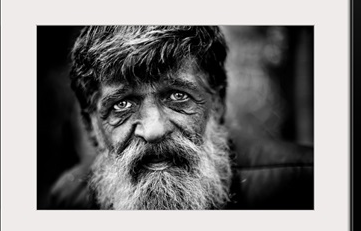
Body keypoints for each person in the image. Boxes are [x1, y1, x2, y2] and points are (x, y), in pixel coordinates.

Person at [48, 26, 313, 210]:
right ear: (91, 127)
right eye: (123, 104)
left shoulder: (304, 186)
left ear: (217, 104)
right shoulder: (69, 198)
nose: (154, 130)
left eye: (177, 96)